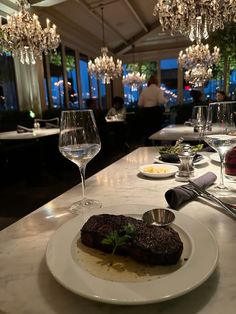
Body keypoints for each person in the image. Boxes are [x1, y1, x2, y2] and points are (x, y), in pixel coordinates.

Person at [138, 74, 168, 144]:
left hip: (146, 112)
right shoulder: (158, 90)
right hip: (155, 111)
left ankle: (148, 148)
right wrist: (166, 100)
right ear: (157, 82)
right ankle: (157, 148)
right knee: (157, 131)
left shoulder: (144, 91)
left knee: (147, 132)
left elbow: (140, 104)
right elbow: (160, 101)